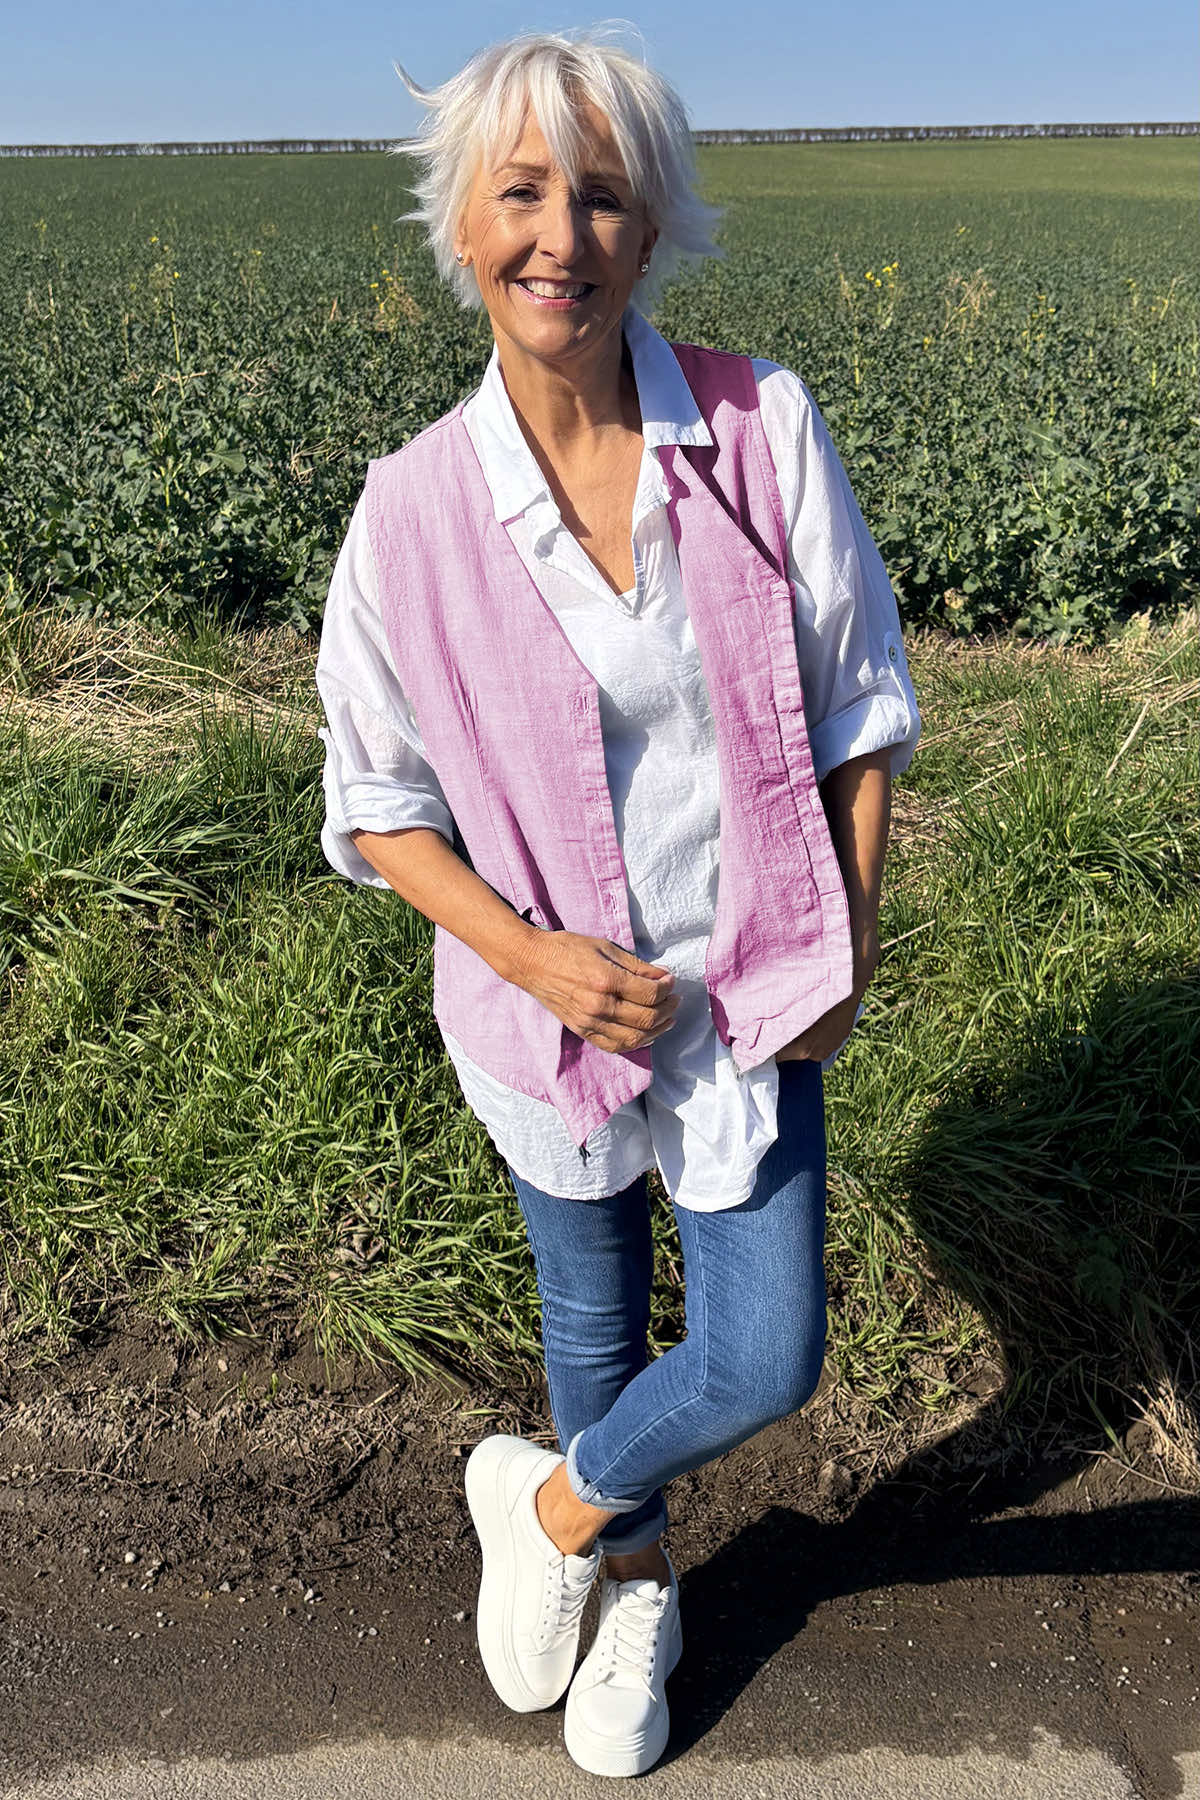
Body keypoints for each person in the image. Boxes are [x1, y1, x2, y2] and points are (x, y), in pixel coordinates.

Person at [315, 28, 920, 1779]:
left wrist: (852, 932)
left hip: (755, 990)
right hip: (542, 1018)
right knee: (590, 1321)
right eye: (521, 192)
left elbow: (863, 701)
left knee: (767, 1354)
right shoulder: (409, 514)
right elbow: (377, 804)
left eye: (601, 197)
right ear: (463, 225)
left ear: (652, 230)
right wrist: (535, 960)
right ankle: (640, 1582)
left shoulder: (757, 427)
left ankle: (554, 1510)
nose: (559, 235)